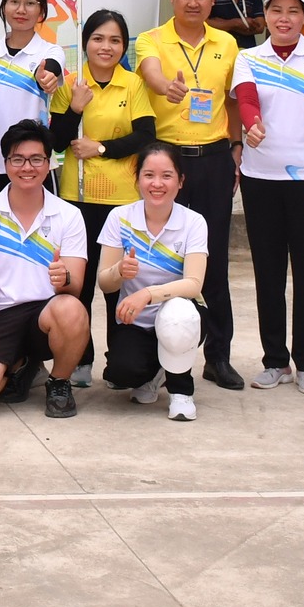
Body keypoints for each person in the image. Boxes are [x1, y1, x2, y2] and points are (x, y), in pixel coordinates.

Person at [135, 0, 245, 391]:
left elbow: (232, 99)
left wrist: (236, 146)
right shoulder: (151, 39)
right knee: (160, 260)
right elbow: (151, 74)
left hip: (214, 159)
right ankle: (157, 361)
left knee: (211, 260)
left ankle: (218, 356)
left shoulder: (228, 43)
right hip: (167, 161)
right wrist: (167, 87)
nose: (193, 2)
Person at [232, 0, 304, 395]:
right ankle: (275, 360)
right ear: (266, 16)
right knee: (269, 273)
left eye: (293, 11)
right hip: (260, 182)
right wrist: (252, 124)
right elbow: (246, 100)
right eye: (276, 10)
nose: (284, 18)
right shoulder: (249, 57)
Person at [48, 9, 157, 386]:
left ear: (124, 46)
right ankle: (80, 358)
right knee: (77, 283)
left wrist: (102, 148)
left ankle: (119, 359)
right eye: (98, 39)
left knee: (116, 283)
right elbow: (56, 141)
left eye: (115, 40)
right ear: (85, 43)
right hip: (75, 198)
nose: (106, 47)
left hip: (121, 202)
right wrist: (75, 107)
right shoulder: (71, 83)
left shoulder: (133, 84)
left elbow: (145, 136)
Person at [0, 120, 90, 419]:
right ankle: (21, 365)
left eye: (36, 159)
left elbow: (75, 288)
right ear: (5, 163)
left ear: (49, 163)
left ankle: (59, 382)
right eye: (18, 159)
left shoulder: (68, 215)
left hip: (46, 314)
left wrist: (64, 278)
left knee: (71, 309)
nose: (27, 167)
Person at [97, 142, 209, 422]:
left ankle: (181, 391)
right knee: (121, 373)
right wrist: (119, 270)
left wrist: (147, 293)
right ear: (137, 179)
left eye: (166, 176)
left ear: (180, 181)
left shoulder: (194, 222)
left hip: (181, 316)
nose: (157, 184)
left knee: (178, 315)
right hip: (135, 319)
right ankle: (158, 371)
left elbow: (193, 284)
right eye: (149, 175)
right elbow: (105, 283)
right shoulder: (119, 218)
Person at [0, 0, 63, 195]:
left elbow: (50, 69)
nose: (21, 10)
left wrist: (46, 78)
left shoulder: (50, 51)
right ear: (4, 7)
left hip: (37, 166)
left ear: (41, 11)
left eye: (30, 3)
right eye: (14, 1)